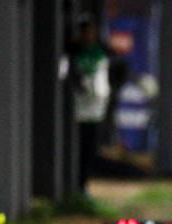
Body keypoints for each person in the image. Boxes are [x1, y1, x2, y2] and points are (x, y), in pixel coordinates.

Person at [67, 14, 111, 195]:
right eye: (86, 33)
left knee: (89, 148)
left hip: (95, 109)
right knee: (77, 148)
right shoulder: (73, 53)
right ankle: (74, 185)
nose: (89, 36)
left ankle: (83, 184)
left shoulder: (100, 52)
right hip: (77, 110)